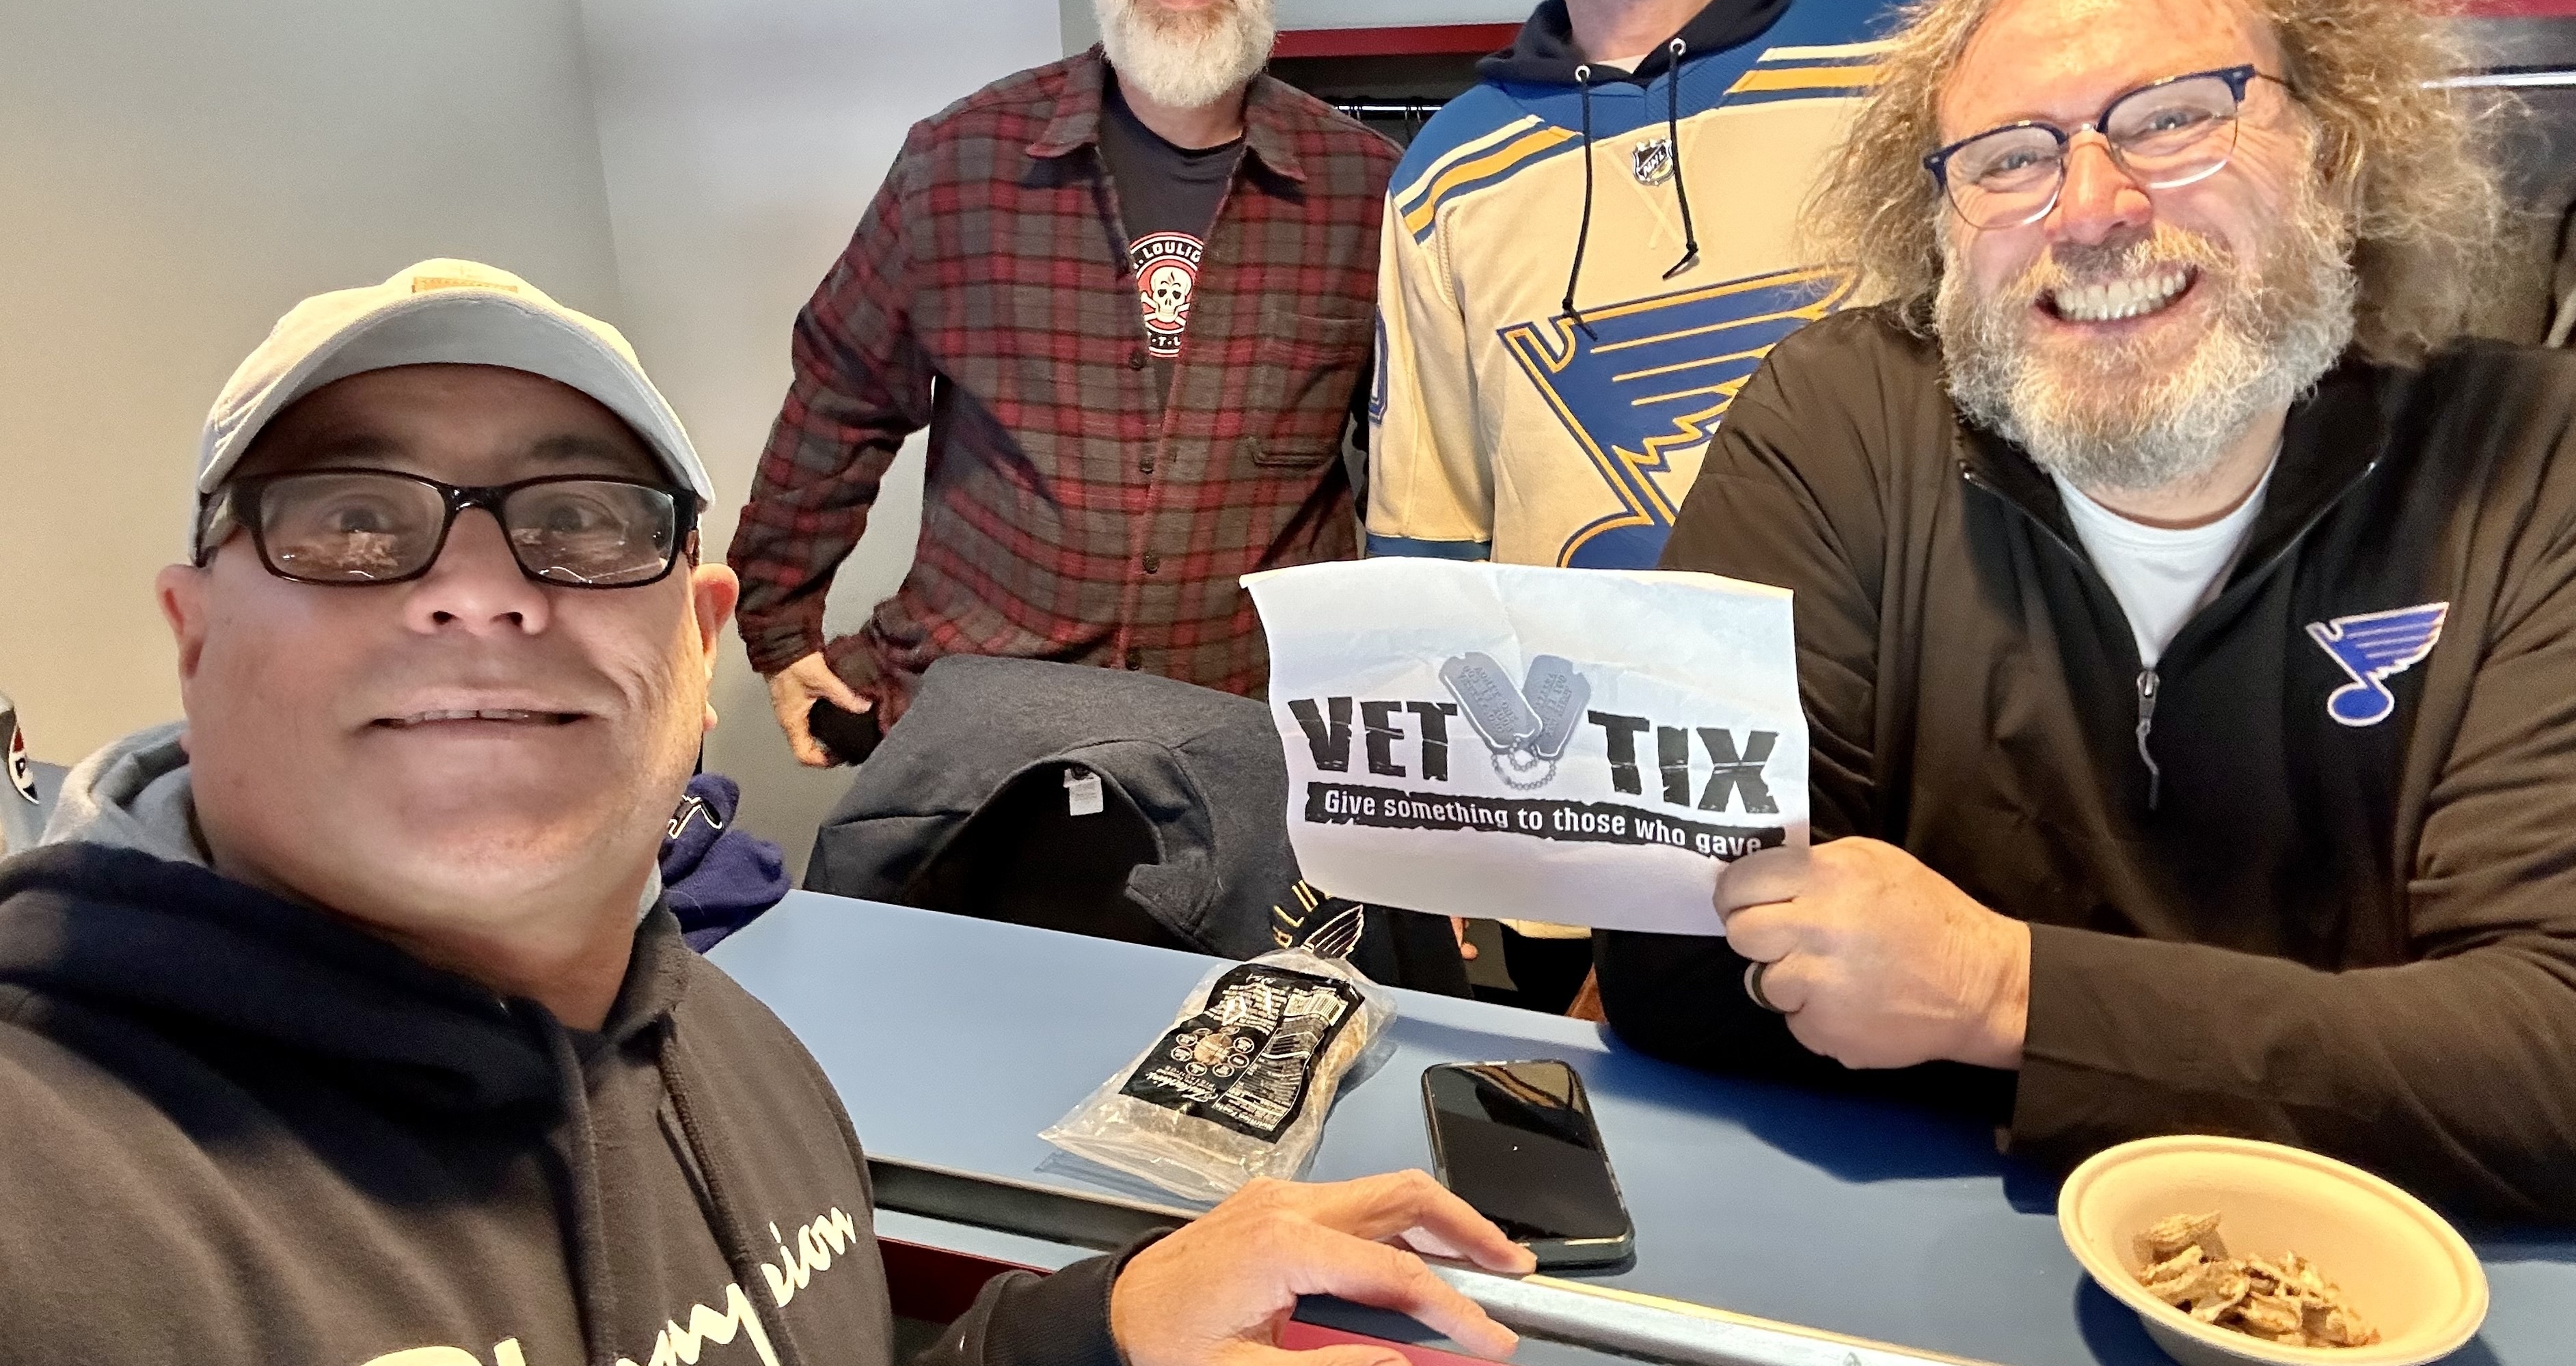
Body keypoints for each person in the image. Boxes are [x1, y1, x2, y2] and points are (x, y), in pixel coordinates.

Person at [0, 259, 1533, 1361]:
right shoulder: (54, 1197)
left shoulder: (743, 1061)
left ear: (694, 639)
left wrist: (1099, 1322)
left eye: (581, 520)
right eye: (350, 520)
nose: (476, 592)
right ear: (192, 630)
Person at [1595, 0, 2576, 1228]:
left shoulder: (2552, 466)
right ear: (1940, 226)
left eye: (2171, 120)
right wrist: (2360, 1059)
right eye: (2007, 156)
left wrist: (2005, 994)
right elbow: (1682, 958)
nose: (2091, 208)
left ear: (2332, 157)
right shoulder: (1837, 422)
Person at [731, 0, 1392, 766]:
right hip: (991, 725)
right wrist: (779, 628)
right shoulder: (958, 163)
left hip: (1250, 738)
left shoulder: (1370, 194)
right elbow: (841, 394)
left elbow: (1417, 470)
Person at [1366, 0, 1908, 575]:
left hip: (1878, 667)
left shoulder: (1900, 62)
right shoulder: (1446, 175)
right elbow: (1431, 542)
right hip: (1570, 675)